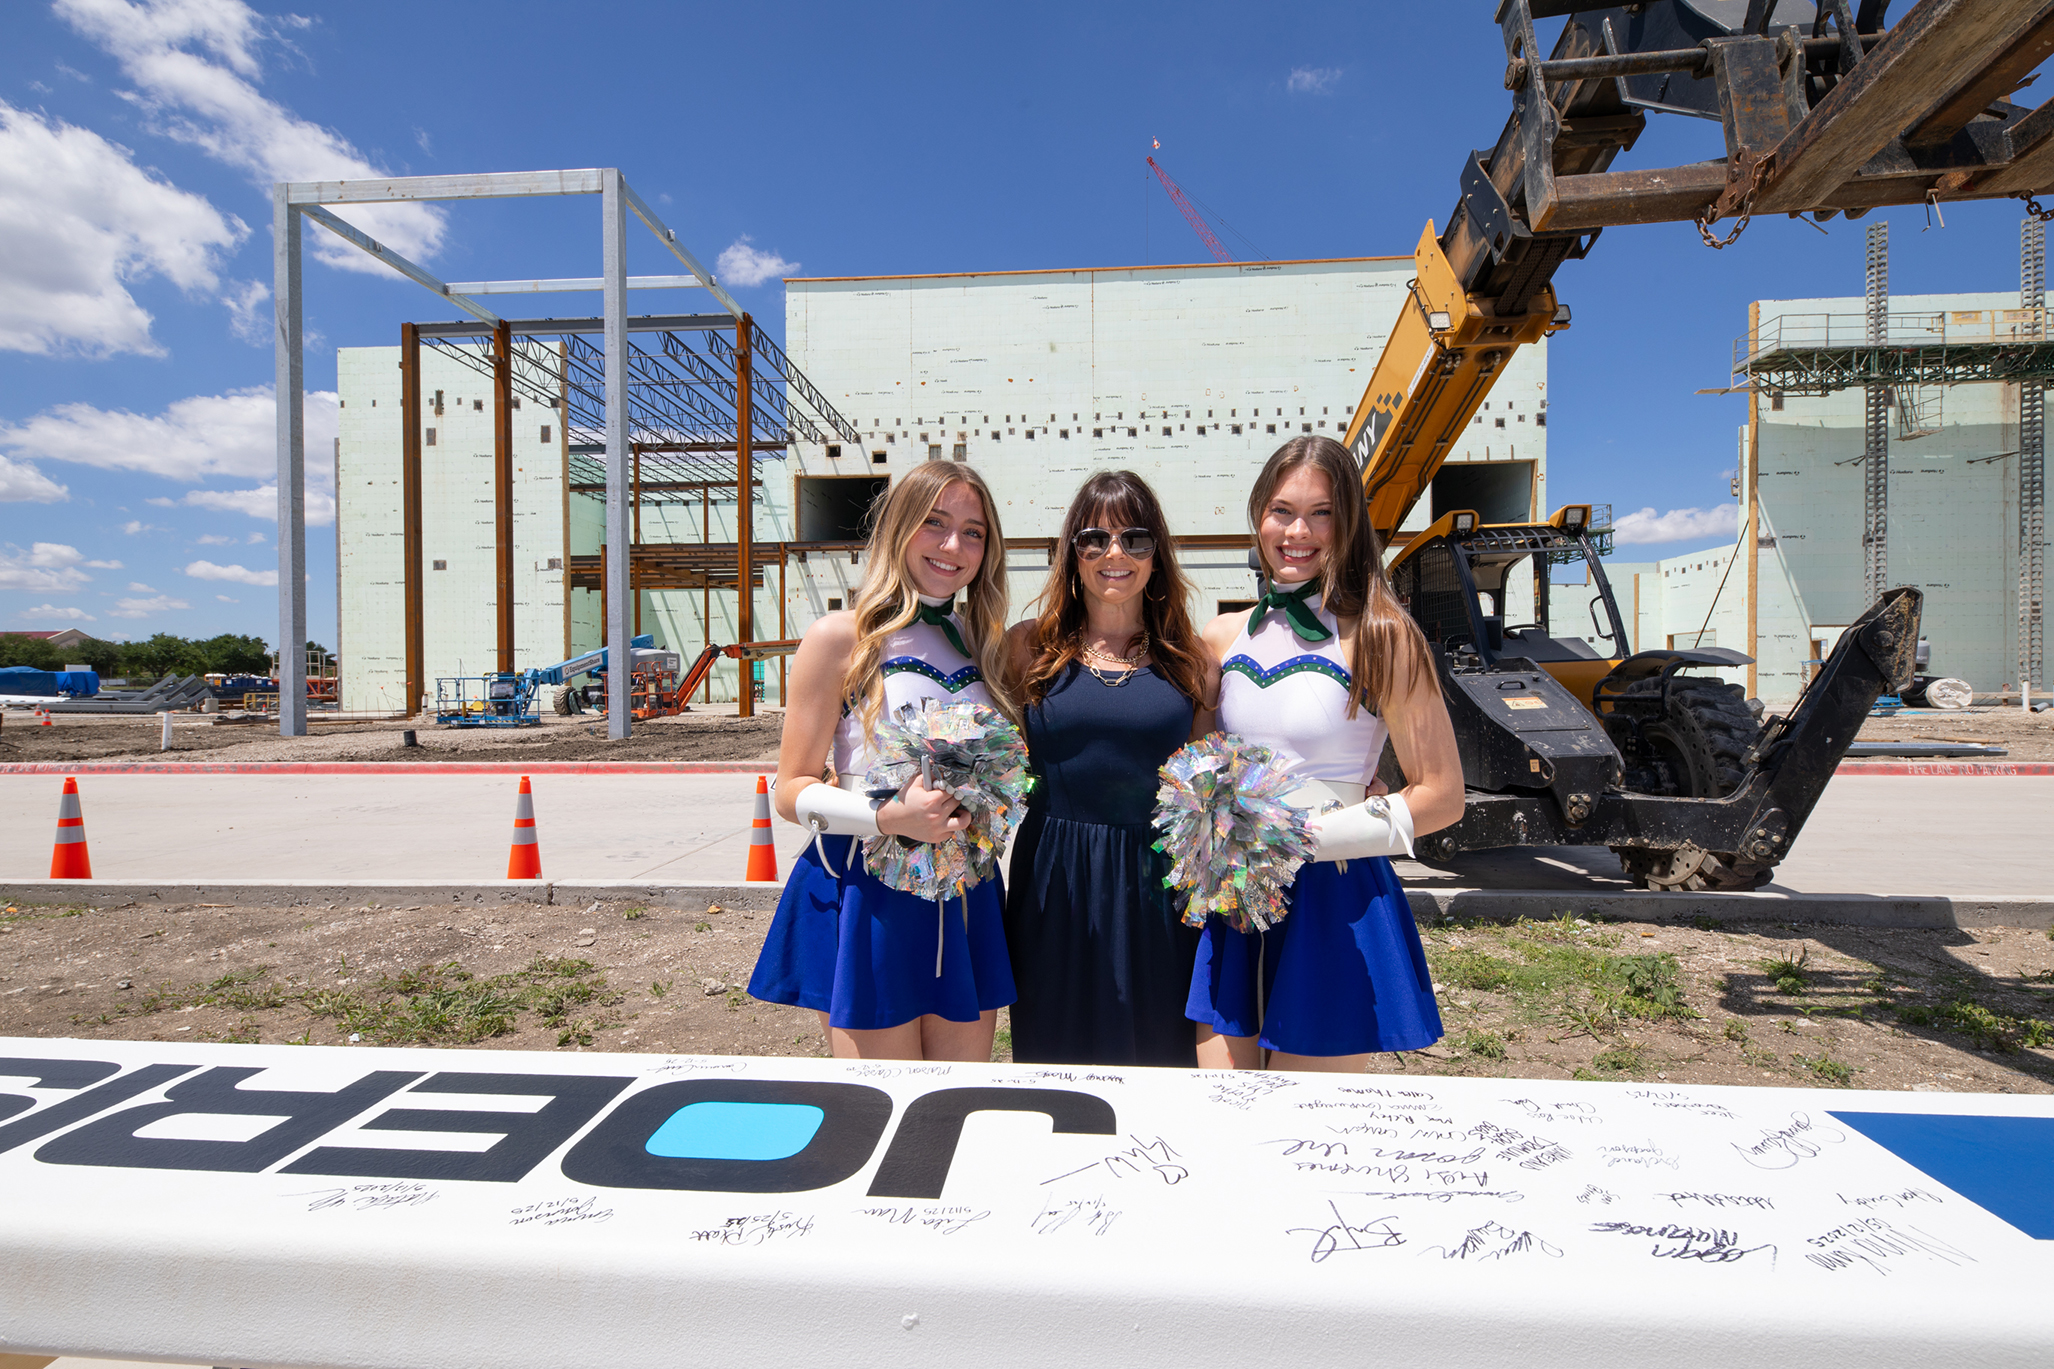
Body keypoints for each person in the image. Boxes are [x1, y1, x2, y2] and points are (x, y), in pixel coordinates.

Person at [1186, 436, 1464, 1072]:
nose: (1298, 532)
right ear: (1258, 516)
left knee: (1306, 1130)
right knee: (1221, 1112)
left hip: (1333, 894)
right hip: (1237, 894)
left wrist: (1303, 838)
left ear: (1349, 525)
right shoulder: (1220, 637)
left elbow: (1443, 795)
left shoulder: (1383, 634)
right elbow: (1197, 768)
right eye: (1282, 511)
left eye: (1322, 513)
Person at [747, 462, 1018, 1061]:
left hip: (966, 889)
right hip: (868, 887)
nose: (953, 546)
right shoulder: (840, 636)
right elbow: (788, 791)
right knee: (882, 1106)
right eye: (934, 523)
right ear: (897, 528)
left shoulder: (986, 642)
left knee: (954, 1103)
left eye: (974, 532)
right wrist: (889, 818)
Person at [1003, 470, 1218, 1067]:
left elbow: (1212, 778)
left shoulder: (1192, 660)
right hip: (1054, 873)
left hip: (1160, 879)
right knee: (1055, 1042)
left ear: (1158, 556)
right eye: (1094, 538)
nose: (1114, 553)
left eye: (1135, 539)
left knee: (1159, 1043)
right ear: (1072, 554)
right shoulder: (1027, 647)